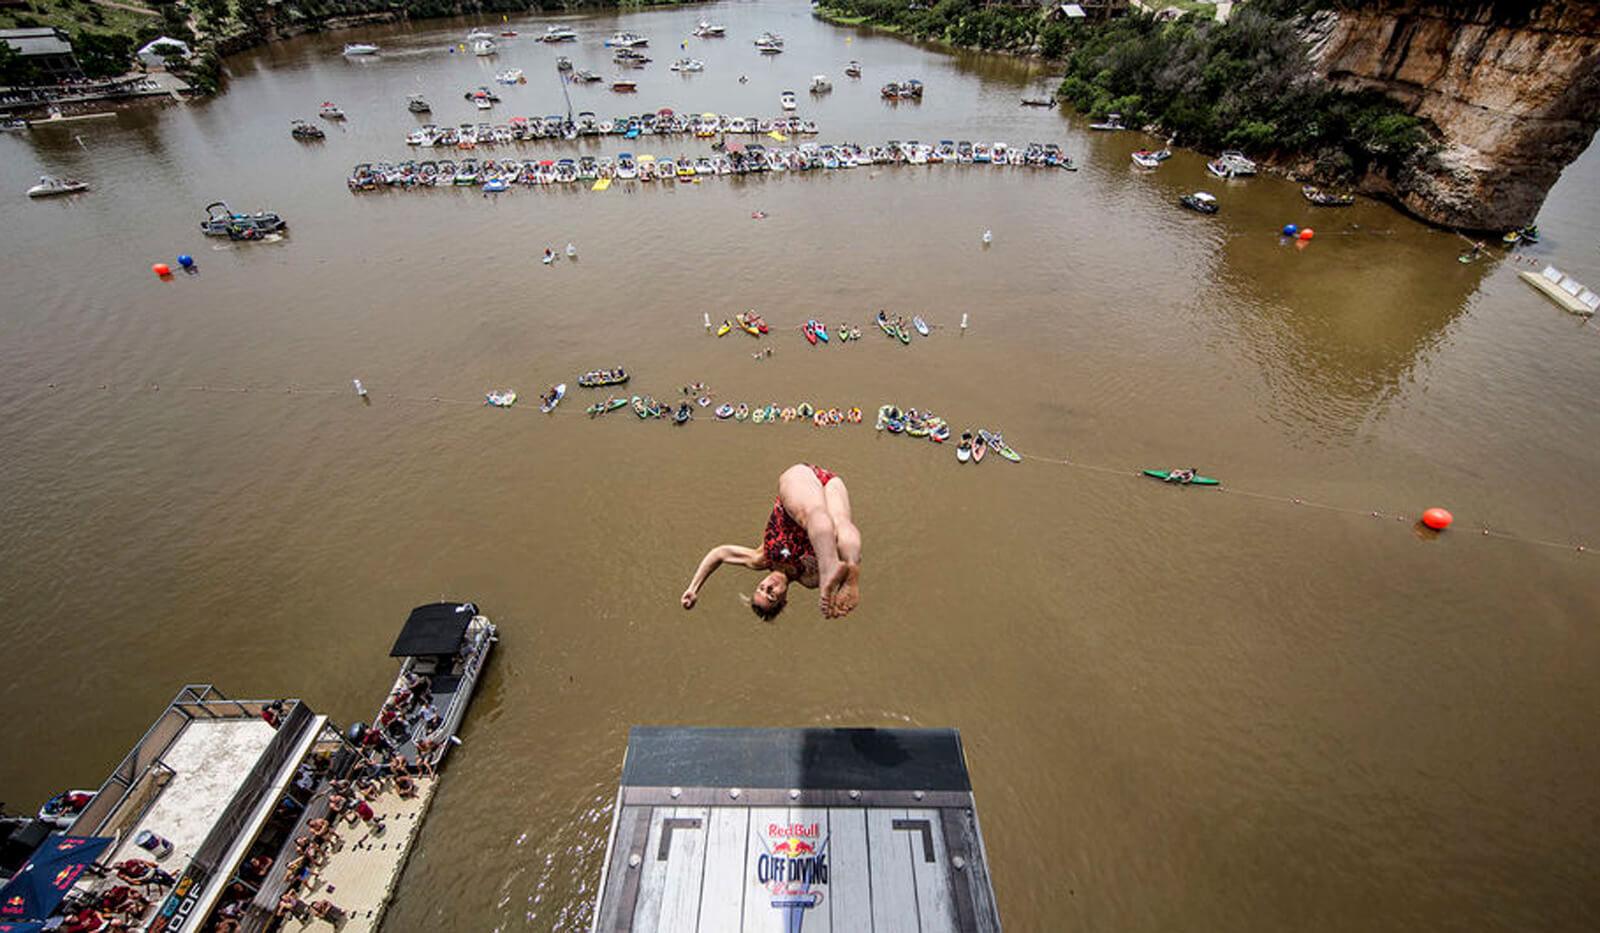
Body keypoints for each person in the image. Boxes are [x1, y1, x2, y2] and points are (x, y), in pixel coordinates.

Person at [682, 464, 862, 620]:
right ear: (784, 600)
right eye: (771, 595)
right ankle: (850, 563)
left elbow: (720, 554)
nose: (768, 586)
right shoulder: (808, 578)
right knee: (839, 524)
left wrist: (693, 588)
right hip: (831, 487)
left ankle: (830, 564)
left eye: (761, 588)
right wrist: (835, 574)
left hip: (802, 481)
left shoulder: (762, 559)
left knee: (810, 514)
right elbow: (835, 559)